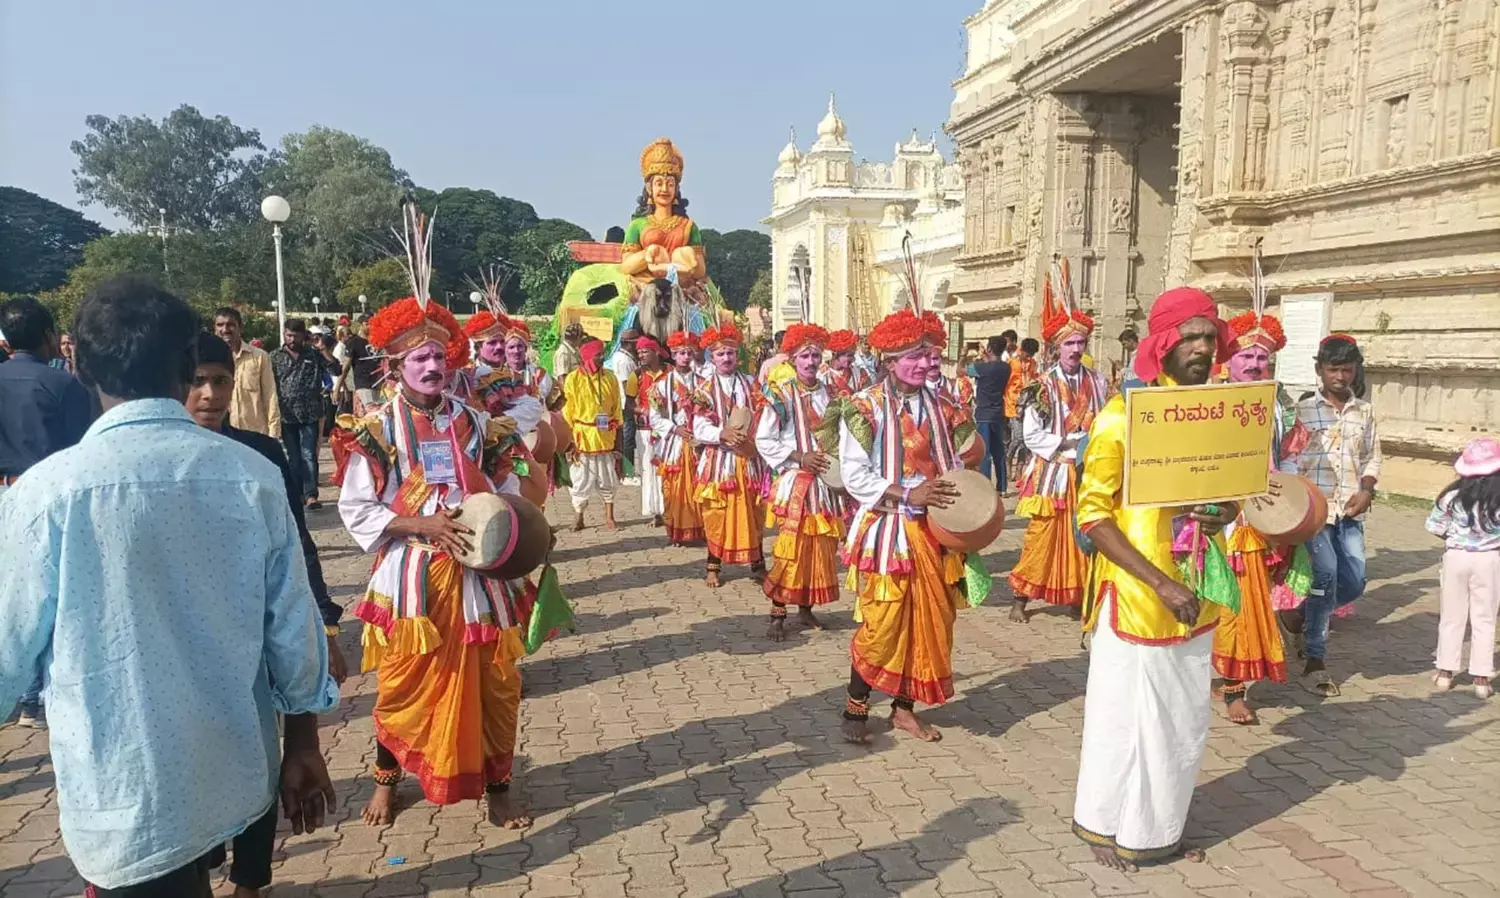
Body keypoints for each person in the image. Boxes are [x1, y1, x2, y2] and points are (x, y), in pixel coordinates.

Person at [0, 276, 339, 897]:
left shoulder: (45, 496)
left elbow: (6, 653)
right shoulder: (253, 476)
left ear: (78, 367)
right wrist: (303, 744)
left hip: (123, 789)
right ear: (188, 369)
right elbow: (293, 628)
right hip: (233, 764)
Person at [338, 293, 537, 831]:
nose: (431, 367)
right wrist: (424, 524)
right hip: (413, 579)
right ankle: (386, 781)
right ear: (394, 367)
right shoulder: (377, 428)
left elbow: (509, 484)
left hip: (477, 577)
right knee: (402, 682)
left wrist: (493, 511)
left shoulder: (477, 423)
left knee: (495, 684)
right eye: (418, 359)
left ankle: (498, 788)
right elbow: (356, 507)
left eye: (438, 356)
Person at [1071, 286, 1236, 871]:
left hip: (1199, 586)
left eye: (1208, 337)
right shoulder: (1121, 417)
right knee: (1125, 717)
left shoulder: (1222, 415)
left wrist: (1224, 514)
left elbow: (1230, 500)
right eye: (1188, 337)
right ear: (1162, 346)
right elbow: (1092, 516)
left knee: (1182, 719)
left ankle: (1153, 829)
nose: (1200, 347)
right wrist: (1161, 583)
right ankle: (1108, 826)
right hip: (1141, 593)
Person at [183, 331, 347, 898]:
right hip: (189, 645)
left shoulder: (263, 453)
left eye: (220, 380)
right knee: (201, 764)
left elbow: (298, 548)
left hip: (258, 630)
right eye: (196, 381)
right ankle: (199, 867)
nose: (209, 393)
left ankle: (251, 882)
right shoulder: (163, 466)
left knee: (261, 759)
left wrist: (325, 623)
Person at [838, 307, 976, 745]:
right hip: (888, 531)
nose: (923, 364)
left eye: (928, 354)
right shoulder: (863, 407)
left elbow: (956, 463)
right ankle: (856, 709)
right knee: (884, 622)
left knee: (928, 623)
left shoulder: (945, 407)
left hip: (934, 532)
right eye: (912, 356)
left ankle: (903, 710)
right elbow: (854, 474)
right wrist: (905, 493)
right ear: (888, 360)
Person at [0, 296, 94, 729]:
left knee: (14, 592)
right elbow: (86, 446)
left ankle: (18, 689)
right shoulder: (63, 386)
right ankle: (36, 695)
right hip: (51, 495)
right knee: (53, 589)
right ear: (46, 336)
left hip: (6, 491)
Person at [1211, 309, 1307, 724]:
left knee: (1244, 603)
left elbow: (1288, 457)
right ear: (1228, 361)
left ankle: (1234, 687)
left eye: (1261, 358)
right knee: (1214, 604)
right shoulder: (1207, 401)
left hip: (1255, 519)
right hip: (1210, 516)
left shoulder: (1280, 405)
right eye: (1246, 357)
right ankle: (1217, 676)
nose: (1253, 364)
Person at [1279, 334, 1381, 697]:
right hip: (1314, 510)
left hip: (1350, 510)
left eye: (1347, 369)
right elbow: (1288, 456)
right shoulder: (1302, 411)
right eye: (1333, 369)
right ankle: (1315, 660)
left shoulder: (1364, 411)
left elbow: (1373, 456)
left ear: (1356, 370)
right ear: (1319, 370)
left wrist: (1367, 489)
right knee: (1324, 574)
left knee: (1352, 583)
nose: (1340, 376)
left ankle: (1297, 616)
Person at [1009, 274, 1109, 623]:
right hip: (1054, 471)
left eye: (1081, 343)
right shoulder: (1041, 385)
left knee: (1088, 533)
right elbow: (1032, 434)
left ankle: (1077, 596)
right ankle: (1020, 599)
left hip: (1086, 471)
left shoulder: (1098, 381)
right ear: (1056, 348)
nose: (1076, 349)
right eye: (1069, 344)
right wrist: (1069, 442)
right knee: (1042, 537)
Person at [755, 324, 848, 640]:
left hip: (825, 487)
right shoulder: (779, 395)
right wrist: (799, 457)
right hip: (796, 484)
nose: (810, 361)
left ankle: (806, 608)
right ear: (792, 360)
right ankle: (777, 612)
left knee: (821, 550)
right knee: (790, 549)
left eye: (815, 355)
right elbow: (764, 440)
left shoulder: (832, 394)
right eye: (804, 356)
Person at [692, 323, 767, 588]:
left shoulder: (752, 384)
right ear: (712, 357)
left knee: (753, 511)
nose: (726, 358)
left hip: (748, 460)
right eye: (721, 354)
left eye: (730, 354)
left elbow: (764, 417)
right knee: (717, 514)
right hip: (718, 463)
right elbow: (698, 426)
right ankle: (713, 567)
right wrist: (721, 433)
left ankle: (758, 565)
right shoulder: (703, 388)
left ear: (738, 356)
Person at [1427, 437, 1499, 700]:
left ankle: (1445, 672)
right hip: (1490, 560)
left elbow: (1434, 526)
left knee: (1451, 616)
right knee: (1485, 618)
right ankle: (1481, 678)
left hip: (1456, 557)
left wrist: (1455, 539)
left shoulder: (1451, 496)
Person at [650, 331, 705, 545]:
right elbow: (655, 418)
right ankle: (677, 531)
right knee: (675, 488)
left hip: (699, 440)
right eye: (681, 353)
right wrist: (675, 429)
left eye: (689, 353)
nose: (685, 357)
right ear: (673, 355)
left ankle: (702, 529)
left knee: (700, 483)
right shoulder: (662, 384)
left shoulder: (703, 382)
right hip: (675, 442)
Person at [564, 338, 623, 531]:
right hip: (582, 435)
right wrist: (569, 441)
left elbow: (616, 407)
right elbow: (568, 411)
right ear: (588, 356)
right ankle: (578, 516)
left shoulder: (610, 377)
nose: (602, 357)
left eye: (602, 353)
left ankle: (610, 517)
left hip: (605, 435)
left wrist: (615, 424)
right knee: (580, 479)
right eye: (598, 354)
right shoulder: (573, 379)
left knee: (608, 478)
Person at [272, 318, 328, 509]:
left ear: (304, 336)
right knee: (293, 457)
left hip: (310, 413)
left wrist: (322, 349)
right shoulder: (274, 357)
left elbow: (335, 368)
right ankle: (296, 495)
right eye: (288, 335)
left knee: (308, 455)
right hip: (287, 415)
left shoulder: (313, 354)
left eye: (296, 336)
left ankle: (311, 495)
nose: (292, 339)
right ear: (284, 334)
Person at [215, 307, 282, 439]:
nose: (225, 330)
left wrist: (273, 433)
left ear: (240, 328)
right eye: (220, 325)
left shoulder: (259, 357)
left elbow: (270, 396)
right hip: (219, 435)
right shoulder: (208, 359)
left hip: (253, 434)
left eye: (230, 325)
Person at [969, 336, 1012, 494]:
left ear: (989, 349)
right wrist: (986, 357)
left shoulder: (981, 368)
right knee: (999, 451)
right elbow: (992, 368)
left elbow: (962, 370)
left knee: (984, 452)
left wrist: (963, 356)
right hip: (998, 413)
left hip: (983, 414)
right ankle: (1002, 487)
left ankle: (986, 486)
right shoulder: (1006, 368)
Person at [634, 335, 667, 525]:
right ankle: (655, 512)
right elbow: (630, 403)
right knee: (648, 469)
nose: (641, 355)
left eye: (645, 351)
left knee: (667, 468)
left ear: (656, 352)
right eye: (639, 352)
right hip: (645, 430)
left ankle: (669, 508)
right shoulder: (637, 375)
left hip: (666, 429)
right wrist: (643, 410)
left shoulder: (669, 373)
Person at [1003, 337, 1040, 486]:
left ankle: (1019, 468)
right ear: (1022, 350)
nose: (1029, 357)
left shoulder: (1033, 364)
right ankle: (1008, 458)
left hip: (1028, 404)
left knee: (1026, 439)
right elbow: (1005, 383)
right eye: (1028, 354)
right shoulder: (1012, 363)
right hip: (1013, 404)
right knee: (1018, 437)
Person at [607, 328, 641, 483]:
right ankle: (627, 472)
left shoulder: (626, 357)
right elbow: (627, 384)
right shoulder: (623, 360)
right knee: (627, 438)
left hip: (626, 402)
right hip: (626, 403)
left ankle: (628, 470)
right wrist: (633, 405)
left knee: (628, 437)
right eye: (635, 343)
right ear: (628, 344)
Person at [821, 329, 872, 398]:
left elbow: (868, 395)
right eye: (849, 355)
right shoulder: (823, 375)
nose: (853, 359)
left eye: (853, 355)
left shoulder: (860, 374)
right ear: (836, 355)